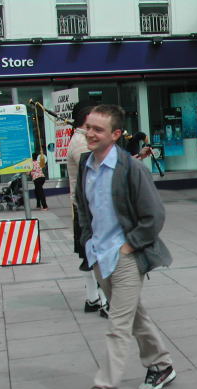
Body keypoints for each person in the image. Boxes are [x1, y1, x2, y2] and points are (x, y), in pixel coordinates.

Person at [74, 104, 175, 389]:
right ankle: (161, 364)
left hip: (126, 257)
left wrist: (130, 245)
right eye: (88, 127)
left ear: (116, 134)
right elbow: (83, 207)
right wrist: (88, 241)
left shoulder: (131, 169)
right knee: (134, 316)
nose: (90, 133)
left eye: (98, 129)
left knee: (117, 327)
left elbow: (154, 215)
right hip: (99, 256)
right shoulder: (85, 164)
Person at [66, 102, 109, 318]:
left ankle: (92, 299)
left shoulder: (83, 140)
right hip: (90, 208)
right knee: (99, 254)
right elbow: (96, 172)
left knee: (91, 254)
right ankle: (105, 302)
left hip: (88, 207)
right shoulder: (81, 144)